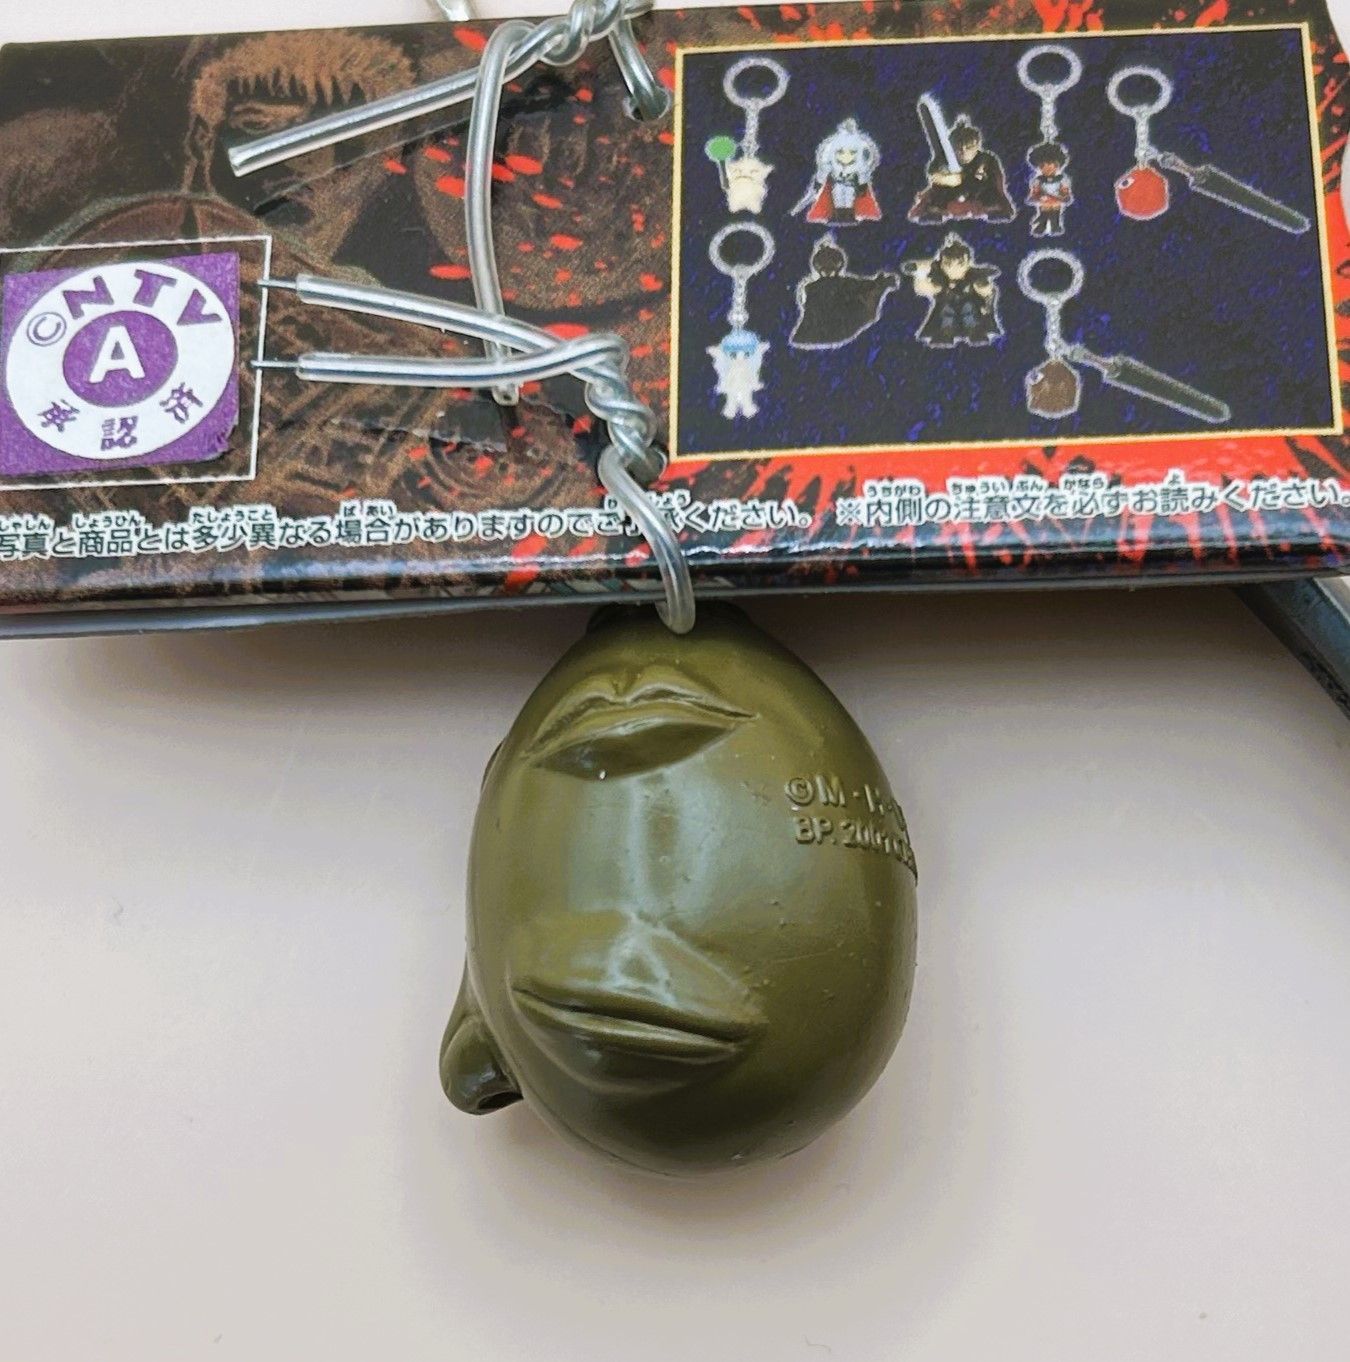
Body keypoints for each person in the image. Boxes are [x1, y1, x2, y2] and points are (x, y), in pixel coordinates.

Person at [790, 236, 900, 349]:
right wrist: (880, 284)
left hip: (809, 336)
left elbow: (864, 286)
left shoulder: (811, 287)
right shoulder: (841, 283)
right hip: (838, 332)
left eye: (831, 262)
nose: (828, 268)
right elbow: (865, 286)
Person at [908, 117, 1015, 224]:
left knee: (990, 198)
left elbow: (997, 180)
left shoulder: (986, 159)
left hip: (978, 193)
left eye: (968, 147)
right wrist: (946, 179)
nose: (963, 151)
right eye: (958, 148)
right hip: (951, 193)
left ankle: (993, 211)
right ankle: (935, 213)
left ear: (976, 146)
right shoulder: (944, 159)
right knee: (938, 200)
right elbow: (933, 174)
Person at [907, 233, 1003, 348]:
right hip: (947, 309)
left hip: (970, 309)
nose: (953, 268)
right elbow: (926, 289)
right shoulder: (941, 281)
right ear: (942, 265)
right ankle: (945, 334)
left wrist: (983, 286)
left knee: (969, 311)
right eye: (948, 264)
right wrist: (920, 274)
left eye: (960, 264)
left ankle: (975, 332)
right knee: (947, 313)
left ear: (968, 264)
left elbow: (986, 291)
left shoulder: (973, 278)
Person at [1026, 141, 1073, 237]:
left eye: (1052, 166)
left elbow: (1065, 190)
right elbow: (1035, 192)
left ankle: (1055, 227)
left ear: (1057, 166)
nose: (1048, 169)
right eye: (1043, 166)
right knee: (1044, 215)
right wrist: (1036, 197)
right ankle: (1041, 227)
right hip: (1044, 203)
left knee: (1055, 216)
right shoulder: (1038, 180)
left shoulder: (1062, 179)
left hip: (1057, 202)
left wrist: (1065, 196)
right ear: (1039, 167)